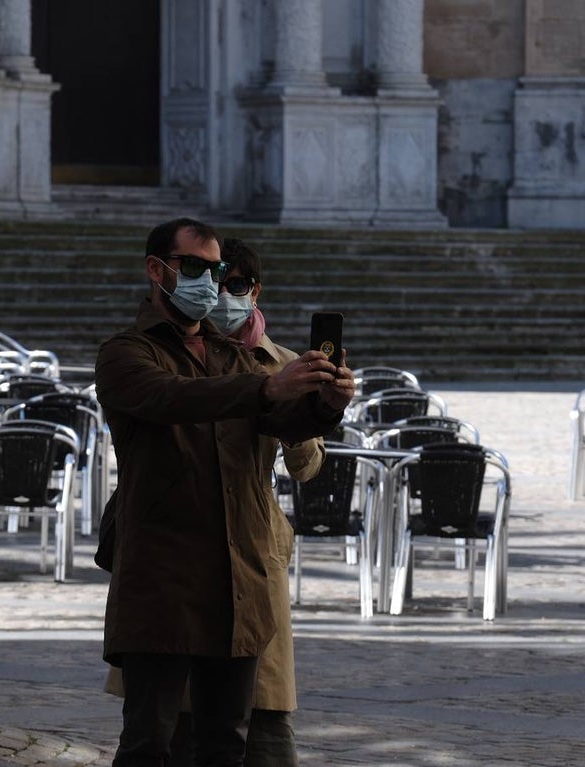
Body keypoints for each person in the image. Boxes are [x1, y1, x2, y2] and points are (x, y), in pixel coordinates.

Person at [95, 217, 354, 767]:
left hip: (237, 582)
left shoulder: (236, 357)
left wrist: (328, 401)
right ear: (156, 270)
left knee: (225, 746)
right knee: (149, 745)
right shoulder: (125, 353)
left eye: (215, 272)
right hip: (162, 583)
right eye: (193, 269)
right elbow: (174, 399)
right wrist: (265, 386)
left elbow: (284, 421)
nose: (207, 283)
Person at [206, 237, 321, 767]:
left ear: (254, 292)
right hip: (188, 537)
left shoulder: (285, 362)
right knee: (182, 712)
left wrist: (310, 411)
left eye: (235, 285)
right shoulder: (171, 357)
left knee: (266, 710)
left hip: (256, 538)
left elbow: (307, 467)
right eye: (213, 282)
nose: (223, 294)